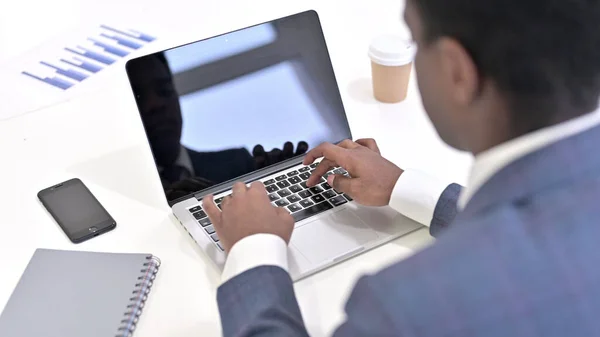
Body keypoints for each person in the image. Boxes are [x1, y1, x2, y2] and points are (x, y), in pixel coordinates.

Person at [203, 0, 600, 335]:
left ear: (457, 71)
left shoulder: (405, 306)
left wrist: (252, 249)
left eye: (414, 42)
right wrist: (405, 188)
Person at [127, 53, 308, 200]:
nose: (155, 104)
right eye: (138, 97)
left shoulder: (240, 164)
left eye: (164, 91)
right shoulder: (127, 197)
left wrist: (287, 185)